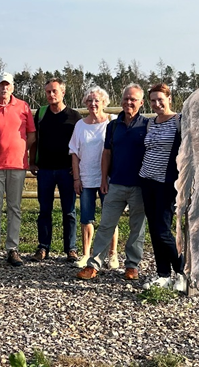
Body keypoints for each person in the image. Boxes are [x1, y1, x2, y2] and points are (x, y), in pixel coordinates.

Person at [77, 83, 149, 282]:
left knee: (137, 227)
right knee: (106, 225)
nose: (128, 102)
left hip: (139, 185)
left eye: (133, 99)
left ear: (141, 103)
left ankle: (132, 265)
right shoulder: (113, 126)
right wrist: (103, 179)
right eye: (126, 98)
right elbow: (106, 153)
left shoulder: (147, 126)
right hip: (115, 183)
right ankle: (94, 265)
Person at [0, 73, 36, 267]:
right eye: (1, 85)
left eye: (7, 85)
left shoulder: (23, 106)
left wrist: (20, 149)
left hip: (17, 165)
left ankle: (12, 248)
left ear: (13, 87)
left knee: (14, 208)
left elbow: (32, 135)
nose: (4, 88)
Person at [139, 83, 187, 291]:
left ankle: (184, 272)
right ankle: (163, 275)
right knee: (153, 229)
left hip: (167, 183)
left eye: (160, 99)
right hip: (147, 181)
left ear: (169, 98)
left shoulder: (180, 122)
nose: (157, 104)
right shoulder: (150, 123)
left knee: (163, 231)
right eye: (153, 100)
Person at [29, 78, 82, 263]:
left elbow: (80, 146)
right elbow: (34, 139)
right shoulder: (41, 114)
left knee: (69, 211)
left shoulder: (75, 117)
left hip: (67, 171)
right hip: (44, 170)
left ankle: (71, 249)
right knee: (44, 210)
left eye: (54, 91)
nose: (51, 95)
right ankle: (43, 247)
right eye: (48, 92)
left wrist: (77, 170)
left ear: (63, 92)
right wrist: (32, 162)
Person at [68, 86, 119, 269]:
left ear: (104, 102)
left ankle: (112, 255)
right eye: (89, 101)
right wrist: (77, 178)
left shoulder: (112, 123)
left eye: (97, 100)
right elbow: (74, 152)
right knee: (86, 218)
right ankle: (86, 254)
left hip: (108, 178)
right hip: (86, 177)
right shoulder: (80, 125)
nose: (93, 104)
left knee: (110, 217)